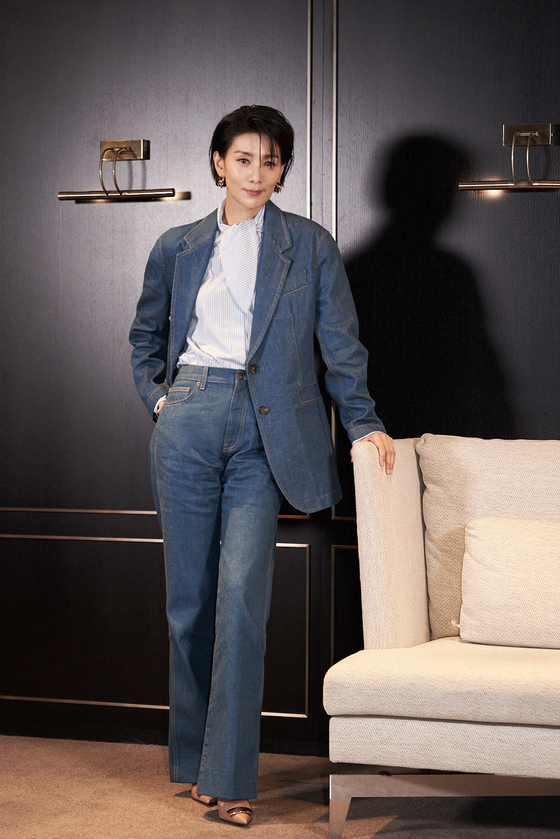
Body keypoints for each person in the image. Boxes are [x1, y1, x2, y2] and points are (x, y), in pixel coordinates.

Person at [129, 104, 395, 828]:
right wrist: (161, 399)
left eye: (270, 161)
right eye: (243, 159)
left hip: (266, 431)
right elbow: (145, 337)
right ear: (219, 163)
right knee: (189, 606)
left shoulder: (308, 245)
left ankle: (230, 780)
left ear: (282, 170)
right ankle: (196, 761)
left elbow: (341, 345)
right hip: (189, 417)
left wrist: (365, 423)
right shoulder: (177, 245)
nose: (256, 173)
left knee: (241, 598)